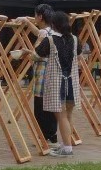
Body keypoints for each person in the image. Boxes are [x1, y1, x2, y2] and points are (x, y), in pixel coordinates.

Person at [34, 10, 81, 158]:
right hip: (72, 82)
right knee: (68, 115)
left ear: (53, 25)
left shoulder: (50, 40)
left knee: (61, 116)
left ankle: (67, 148)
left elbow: (36, 54)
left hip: (57, 83)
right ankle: (67, 144)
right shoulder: (74, 39)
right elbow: (79, 55)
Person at [12, 4, 58, 147]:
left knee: (40, 107)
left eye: (35, 15)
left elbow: (37, 55)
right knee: (50, 105)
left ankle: (44, 136)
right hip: (52, 72)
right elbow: (38, 32)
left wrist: (26, 52)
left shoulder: (44, 33)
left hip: (43, 72)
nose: (35, 18)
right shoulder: (51, 31)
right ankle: (51, 136)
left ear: (40, 16)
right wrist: (26, 21)